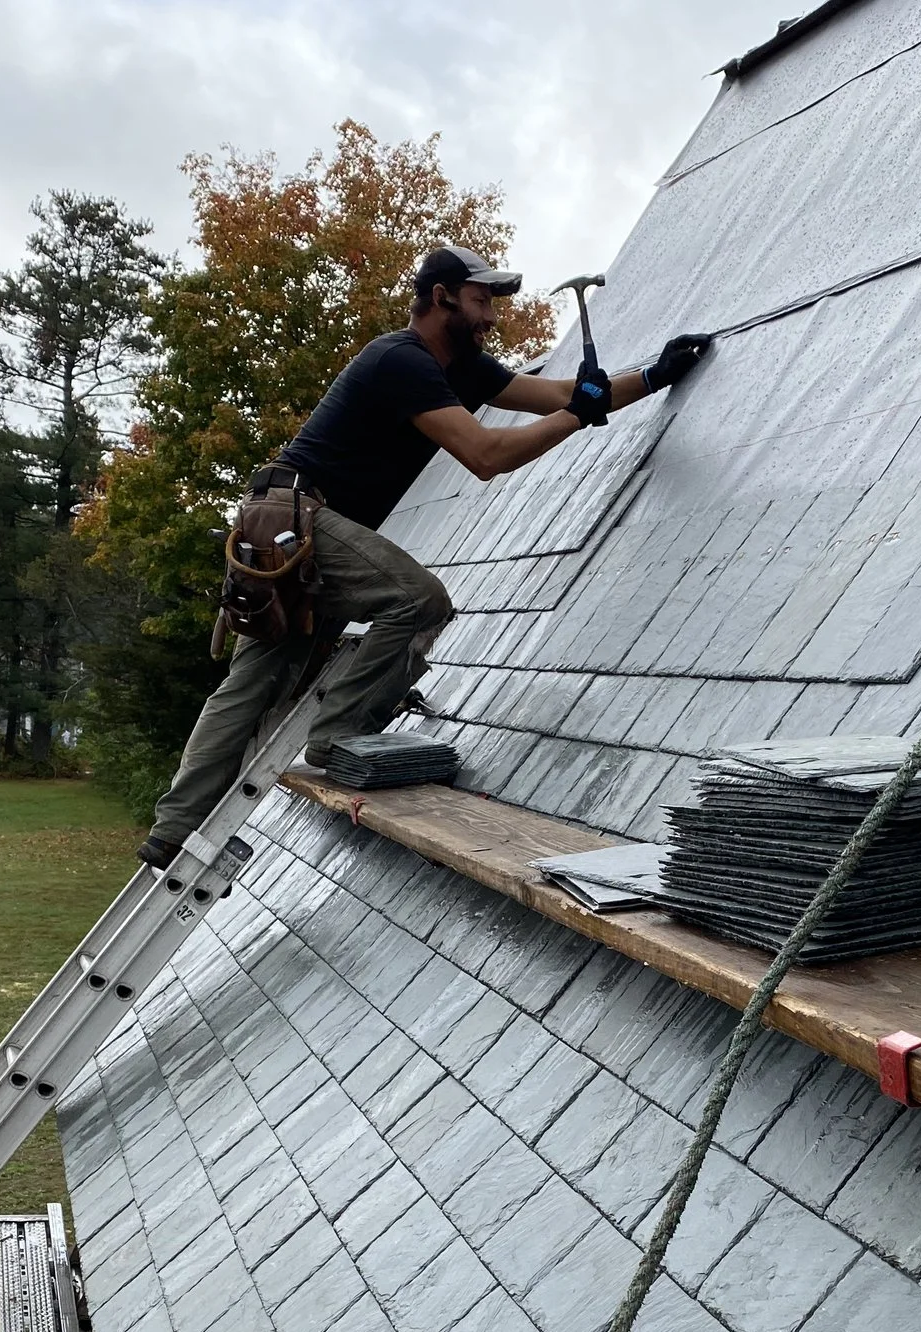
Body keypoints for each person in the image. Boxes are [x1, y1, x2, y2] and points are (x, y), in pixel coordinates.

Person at [137, 243, 712, 868]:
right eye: (481, 300)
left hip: (286, 529)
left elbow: (561, 396)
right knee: (417, 600)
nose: (491, 315)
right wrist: (579, 415)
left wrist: (652, 376)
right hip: (298, 520)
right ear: (441, 298)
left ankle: (176, 826)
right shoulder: (402, 361)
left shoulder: (459, 369)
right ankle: (337, 736)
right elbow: (488, 455)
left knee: (253, 683)